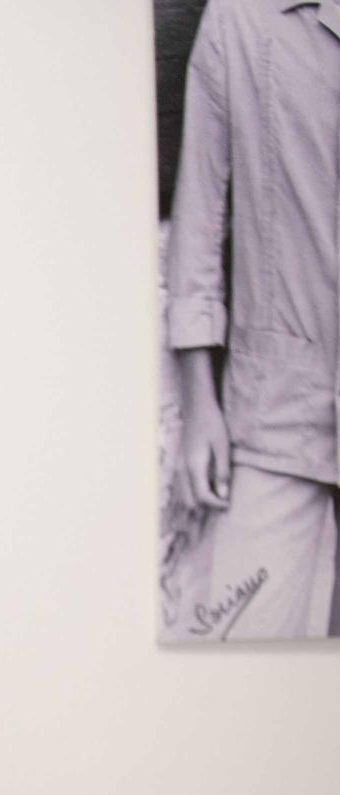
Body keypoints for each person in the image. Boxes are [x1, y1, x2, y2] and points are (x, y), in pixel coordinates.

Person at [166, 0, 340, 639]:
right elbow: (200, 214)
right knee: (241, 651)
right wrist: (198, 405)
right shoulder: (239, 18)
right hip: (273, 404)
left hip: (274, 398)